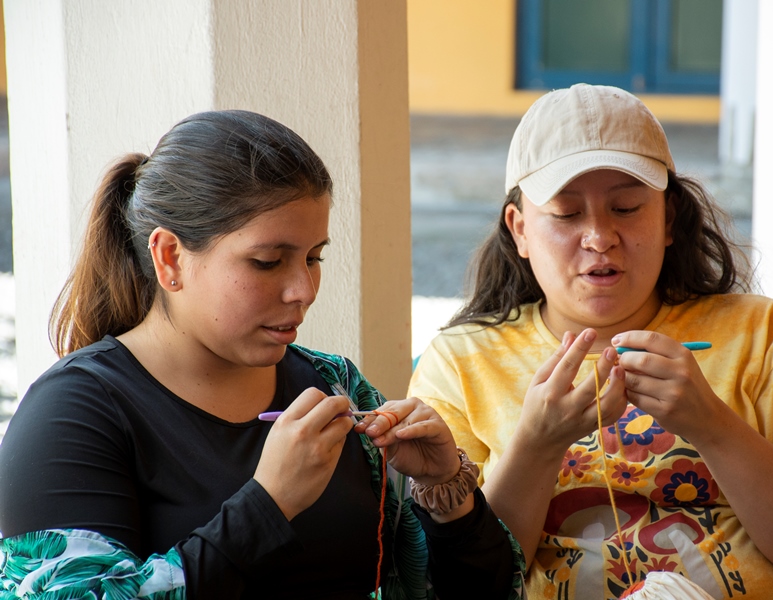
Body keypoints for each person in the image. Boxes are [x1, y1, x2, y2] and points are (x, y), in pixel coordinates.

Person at [0, 109, 525, 599]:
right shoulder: (74, 413)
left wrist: (445, 491)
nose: (303, 290)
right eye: (268, 261)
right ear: (170, 257)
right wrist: (268, 505)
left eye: (314, 258)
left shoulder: (333, 382)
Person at [408, 84, 773, 600]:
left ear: (669, 219)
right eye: (567, 214)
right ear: (520, 230)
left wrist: (713, 425)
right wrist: (536, 445)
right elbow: (459, 588)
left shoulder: (763, 334)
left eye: (626, 207)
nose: (599, 237)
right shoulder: (461, 362)